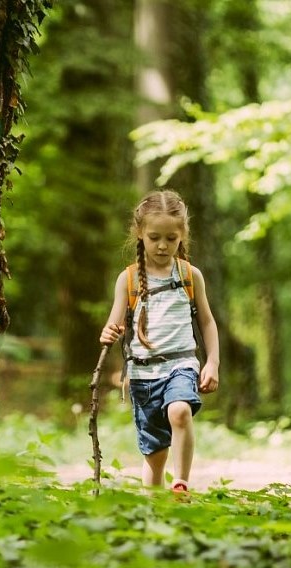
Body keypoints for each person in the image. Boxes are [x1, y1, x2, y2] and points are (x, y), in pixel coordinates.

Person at [99, 190, 220, 493]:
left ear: (182, 235)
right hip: (143, 375)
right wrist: (109, 332)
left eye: (171, 238)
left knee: (179, 411)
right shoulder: (128, 279)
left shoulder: (189, 275)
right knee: (155, 457)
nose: (163, 245)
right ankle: (154, 510)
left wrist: (212, 362)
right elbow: (115, 322)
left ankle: (181, 483)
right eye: (154, 238)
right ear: (140, 233)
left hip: (181, 365)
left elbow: (206, 321)